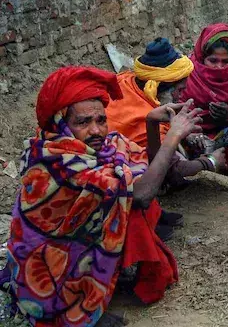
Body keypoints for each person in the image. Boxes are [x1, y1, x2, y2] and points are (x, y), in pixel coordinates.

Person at [0, 67, 203, 327]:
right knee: (131, 203)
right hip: (50, 261)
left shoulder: (106, 146)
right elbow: (141, 194)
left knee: (131, 204)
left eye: (100, 120)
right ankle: (81, 302)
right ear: (61, 124)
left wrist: (151, 123)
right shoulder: (59, 160)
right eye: (83, 122)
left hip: (79, 238)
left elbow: (151, 171)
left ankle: (111, 276)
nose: (96, 130)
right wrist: (172, 136)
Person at [107, 38, 224, 229]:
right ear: (156, 89)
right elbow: (172, 169)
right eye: (178, 90)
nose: (181, 96)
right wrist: (210, 162)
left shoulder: (128, 81)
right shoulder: (138, 115)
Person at [180, 23, 228, 176]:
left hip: (223, 137)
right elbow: (176, 113)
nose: (219, 67)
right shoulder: (189, 74)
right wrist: (190, 133)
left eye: (225, 62)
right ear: (203, 58)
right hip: (194, 140)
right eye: (213, 61)